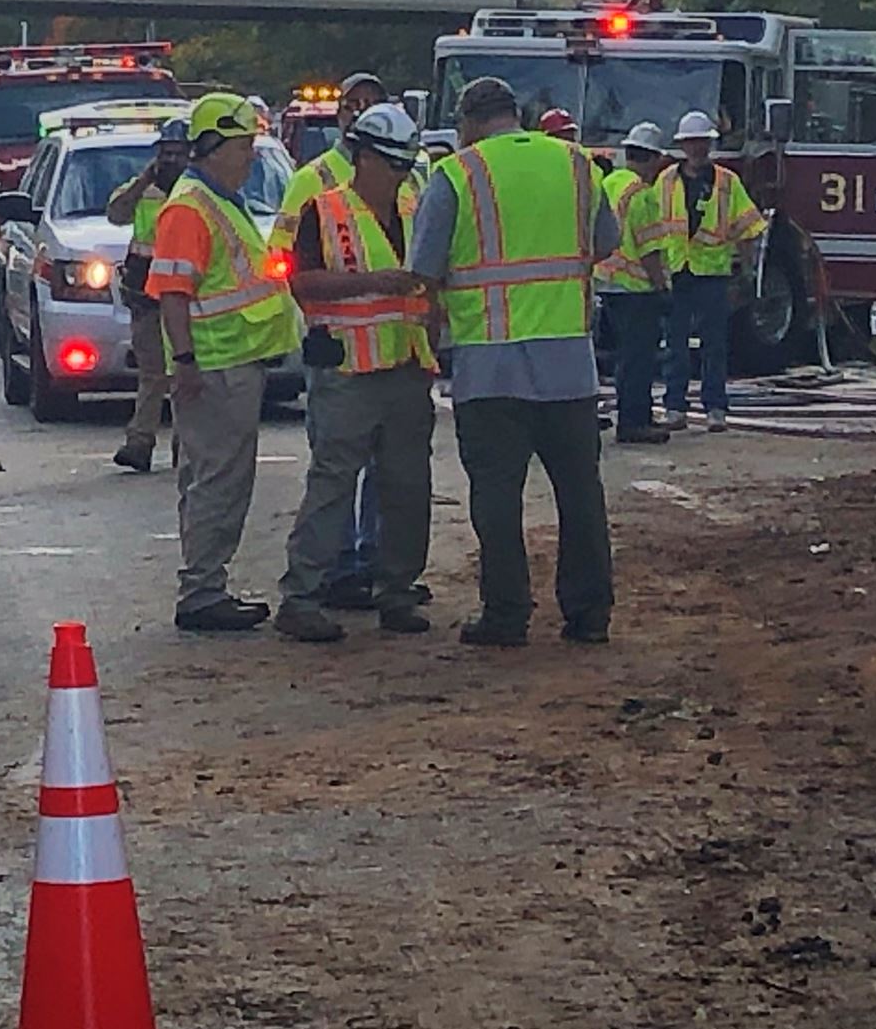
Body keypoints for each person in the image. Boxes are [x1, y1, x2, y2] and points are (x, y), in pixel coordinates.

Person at [408, 76, 621, 647]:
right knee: (581, 494)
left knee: (497, 498)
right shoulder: (577, 165)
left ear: (470, 122)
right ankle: (589, 614)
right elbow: (606, 242)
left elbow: (423, 268)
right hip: (569, 364)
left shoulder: (457, 174)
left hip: (489, 368)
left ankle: (506, 614)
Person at [273, 105, 439, 642]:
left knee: (408, 487)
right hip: (347, 369)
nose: (399, 174)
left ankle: (397, 591)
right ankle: (302, 597)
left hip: (406, 366)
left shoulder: (417, 208)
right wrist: (373, 282)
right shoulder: (325, 211)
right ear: (363, 157)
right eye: (392, 163)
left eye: (405, 164)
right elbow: (302, 283)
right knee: (332, 484)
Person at [144, 92, 296, 632]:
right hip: (216, 365)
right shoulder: (192, 206)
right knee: (219, 480)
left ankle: (206, 585)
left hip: (227, 360)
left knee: (212, 477)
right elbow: (173, 292)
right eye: (243, 145)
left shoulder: (214, 199)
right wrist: (185, 361)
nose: (250, 156)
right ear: (213, 147)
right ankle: (203, 591)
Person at [658, 109, 768, 432]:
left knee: (714, 344)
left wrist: (746, 272)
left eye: (701, 142)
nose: (696, 148)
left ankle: (715, 407)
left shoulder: (727, 182)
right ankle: (675, 406)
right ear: (683, 145)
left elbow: (748, 227)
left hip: (713, 274)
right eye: (691, 143)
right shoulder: (666, 181)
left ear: (709, 144)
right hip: (676, 271)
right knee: (674, 343)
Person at [104, 117, 189, 473]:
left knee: (185, 374)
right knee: (153, 373)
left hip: (186, 293)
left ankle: (184, 449)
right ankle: (140, 444)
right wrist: (142, 182)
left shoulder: (197, 191)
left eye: (177, 153)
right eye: (165, 153)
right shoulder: (143, 189)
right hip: (145, 293)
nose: (170, 160)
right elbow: (116, 214)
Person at [596, 122, 674, 446]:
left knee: (621, 358)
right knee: (638, 358)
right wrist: (662, 287)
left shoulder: (611, 182)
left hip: (605, 281)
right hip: (635, 288)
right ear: (654, 158)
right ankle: (634, 422)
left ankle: (636, 414)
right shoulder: (641, 194)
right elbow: (650, 249)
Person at [273, 72, 389, 235]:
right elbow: (282, 247)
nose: (362, 113)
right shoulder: (308, 180)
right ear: (339, 113)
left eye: (374, 105)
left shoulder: (408, 174)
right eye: (353, 104)